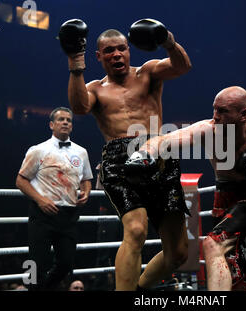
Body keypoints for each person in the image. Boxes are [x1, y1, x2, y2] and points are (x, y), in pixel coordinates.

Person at [59, 18, 192, 290]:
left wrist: (167, 39)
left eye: (121, 48)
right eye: (109, 51)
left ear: (129, 50)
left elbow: (182, 66)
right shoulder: (95, 88)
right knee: (135, 230)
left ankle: (140, 288)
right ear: (98, 56)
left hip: (159, 154)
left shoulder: (148, 72)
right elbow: (80, 107)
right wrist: (75, 62)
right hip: (120, 161)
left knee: (178, 253)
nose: (116, 54)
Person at [126, 86, 246, 291]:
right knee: (238, 286)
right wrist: (143, 153)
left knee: (213, 244)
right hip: (224, 204)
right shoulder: (208, 130)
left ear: (243, 114)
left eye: (223, 111)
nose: (215, 116)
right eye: (214, 109)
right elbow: (166, 140)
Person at [16, 107, 93, 290]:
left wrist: (86, 192)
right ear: (51, 125)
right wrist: (40, 200)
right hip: (43, 214)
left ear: (72, 126)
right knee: (37, 263)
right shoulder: (38, 150)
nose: (65, 122)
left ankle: (43, 288)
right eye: (61, 119)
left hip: (69, 215)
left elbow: (87, 179)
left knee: (66, 263)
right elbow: (20, 180)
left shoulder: (81, 152)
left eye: (68, 120)